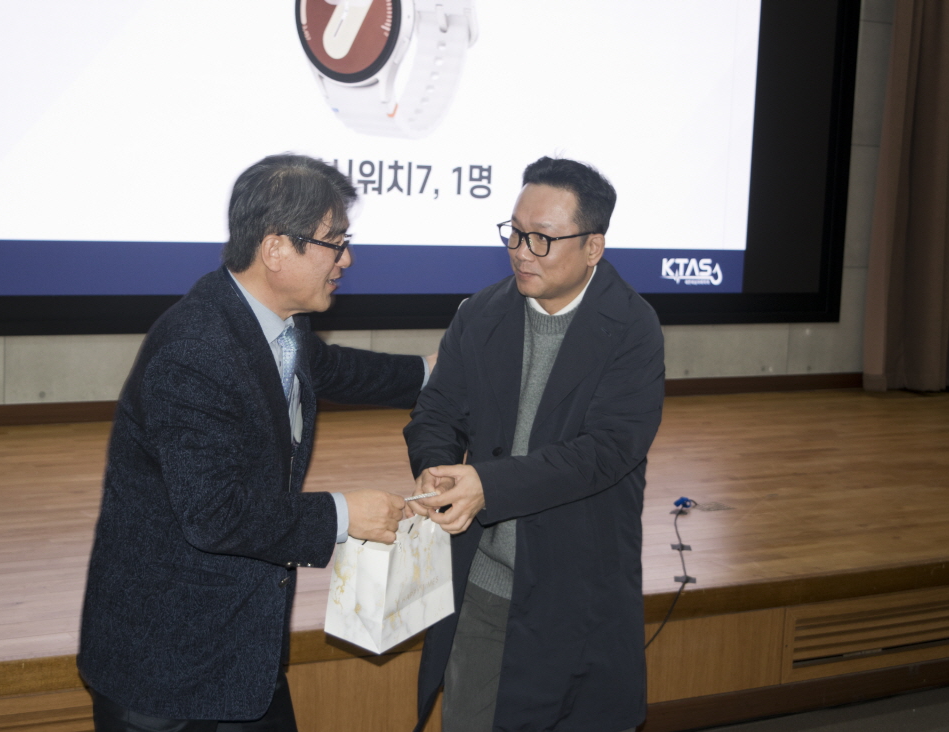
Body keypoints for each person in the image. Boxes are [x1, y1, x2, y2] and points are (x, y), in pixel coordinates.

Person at [78, 154, 429, 731]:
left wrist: (433, 372)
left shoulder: (274, 320)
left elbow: (331, 368)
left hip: (241, 650)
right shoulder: (195, 351)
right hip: (166, 670)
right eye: (335, 243)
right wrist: (346, 515)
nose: (347, 258)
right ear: (276, 249)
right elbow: (215, 515)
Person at [405, 157, 665, 732]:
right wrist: (437, 469)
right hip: (483, 582)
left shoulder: (632, 328)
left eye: (542, 239)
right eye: (515, 232)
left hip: (575, 590)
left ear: (593, 247)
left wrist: (488, 485)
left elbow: (604, 451)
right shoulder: (482, 312)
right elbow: (436, 411)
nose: (522, 251)